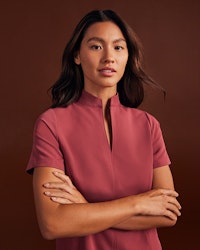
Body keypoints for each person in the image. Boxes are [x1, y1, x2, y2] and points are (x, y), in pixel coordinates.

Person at [26, 9, 181, 250]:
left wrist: (83, 207)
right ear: (77, 55)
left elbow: (168, 214)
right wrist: (139, 203)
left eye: (118, 47)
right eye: (96, 47)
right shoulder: (51, 123)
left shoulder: (148, 125)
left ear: (128, 57)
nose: (109, 57)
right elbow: (53, 223)